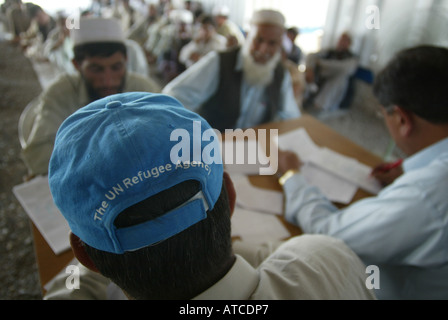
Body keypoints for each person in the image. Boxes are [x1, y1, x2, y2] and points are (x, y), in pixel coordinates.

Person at [44, 91, 376, 300]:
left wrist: (119, 234)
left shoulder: (85, 266)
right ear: (230, 199)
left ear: (84, 256)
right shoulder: (329, 264)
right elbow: (285, 252)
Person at [277, 45, 448, 300]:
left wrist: (291, 176)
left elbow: (330, 235)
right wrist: (411, 169)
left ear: (402, 119)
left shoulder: (426, 196)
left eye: (383, 116)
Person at [21, 17, 161, 178]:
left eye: (116, 67)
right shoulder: (60, 94)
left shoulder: (144, 89)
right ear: (76, 65)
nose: (108, 80)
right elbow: (38, 156)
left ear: (126, 61)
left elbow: (169, 134)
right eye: (96, 69)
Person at [162, 9, 301, 132]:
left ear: (280, 45)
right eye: (258, 40)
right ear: (247, 37)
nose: (264, 49)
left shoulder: (281, 75)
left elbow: (290, 117)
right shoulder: (220, 62)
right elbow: (175, 95)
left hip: (254, 152)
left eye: (272, 43)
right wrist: (196, 134)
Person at [304, 32, 358, 111]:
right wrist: (310, 68)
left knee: (341, 77)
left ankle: (320, 106)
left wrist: (321, 63)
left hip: (334, 86)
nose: (341, 42)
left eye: (344, 41)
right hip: (319, 78)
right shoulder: (330, 52)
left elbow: (343, 68)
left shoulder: (352, 58)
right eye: (341, 40)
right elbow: (311, 56)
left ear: (349, 44)